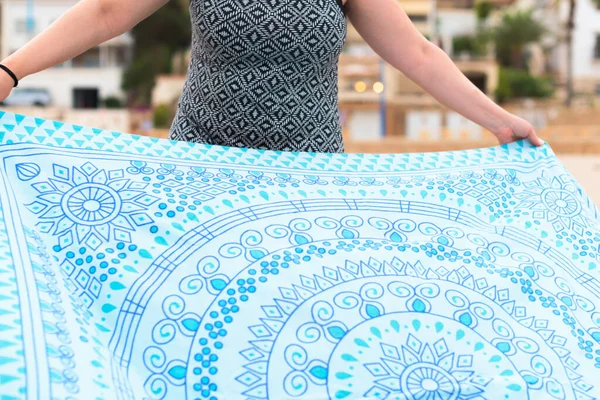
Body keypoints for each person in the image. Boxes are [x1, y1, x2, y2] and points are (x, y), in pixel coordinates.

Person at [0, 0, 543, 153]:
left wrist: (499, 122)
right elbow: (104, 14)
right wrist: (10, 70)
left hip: (310, 182)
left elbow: (418, 55)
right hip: (202, 173)